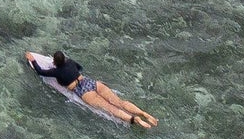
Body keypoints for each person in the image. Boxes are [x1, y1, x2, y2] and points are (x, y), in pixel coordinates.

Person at [26, 51, 158, 129]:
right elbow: (80, 68)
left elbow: (40, 72)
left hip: (81, 90)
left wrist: (32, 60)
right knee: (120, 102)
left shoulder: (56, 72)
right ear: (65, 59)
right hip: (90, 82)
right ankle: (144, 114)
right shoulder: (71, 62)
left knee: (109, 108)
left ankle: (135, 120)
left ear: (54, 62)